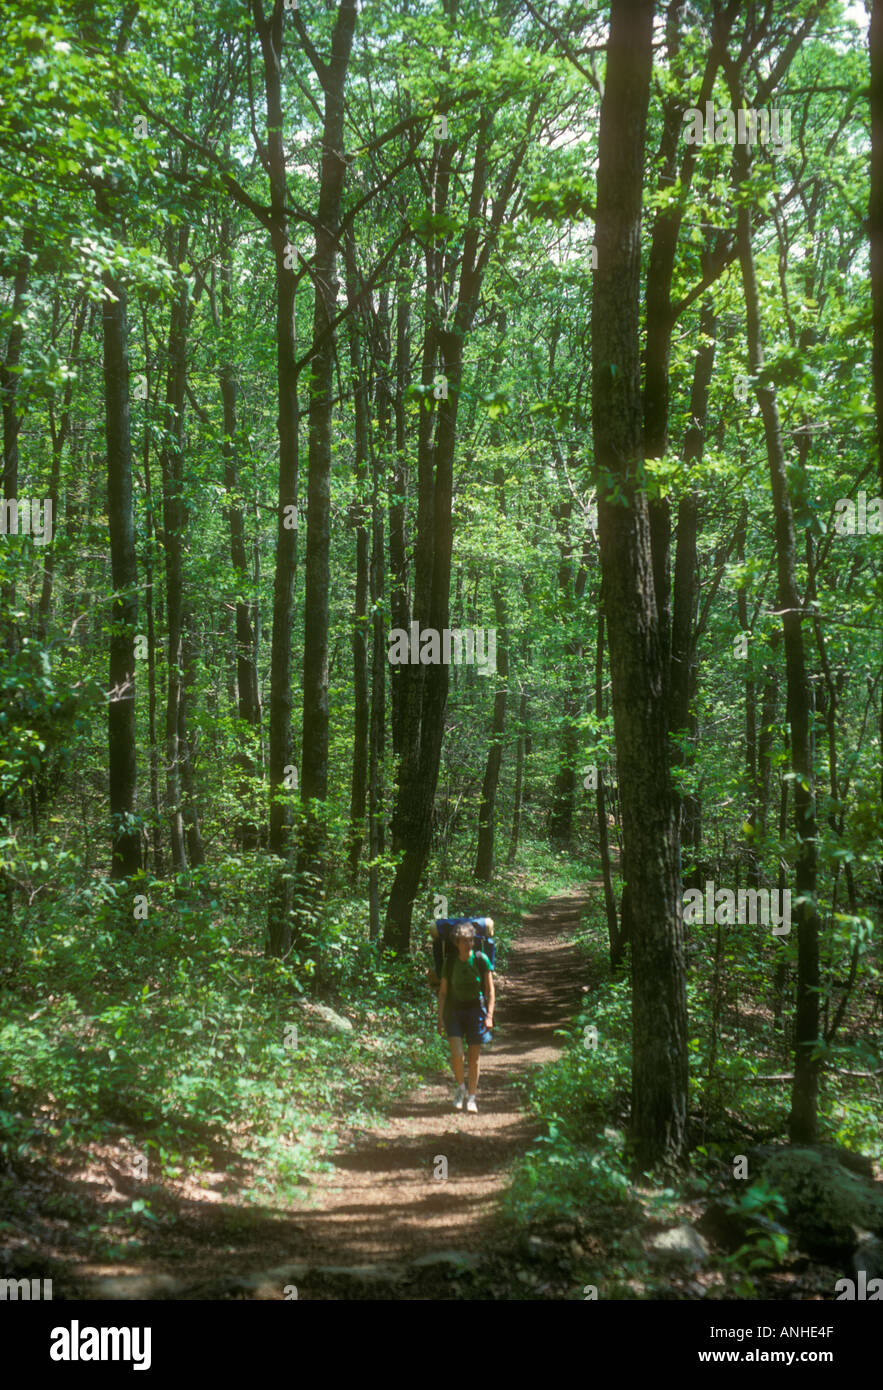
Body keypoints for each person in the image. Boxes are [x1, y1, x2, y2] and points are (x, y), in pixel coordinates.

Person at [437, 921, 495, 1114]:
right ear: (456, 942)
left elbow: (490, 990)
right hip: (453, 1011)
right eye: (463, 941)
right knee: (457, 1053)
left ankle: (471, 1098)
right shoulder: (451, 962)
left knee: (474, 1058)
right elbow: (443, 992)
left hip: (475, 1011)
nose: (468, 944)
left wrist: (490, 1016)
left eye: (470, 940)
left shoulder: (481, 959)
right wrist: (439, 1019)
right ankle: (461, 1088)